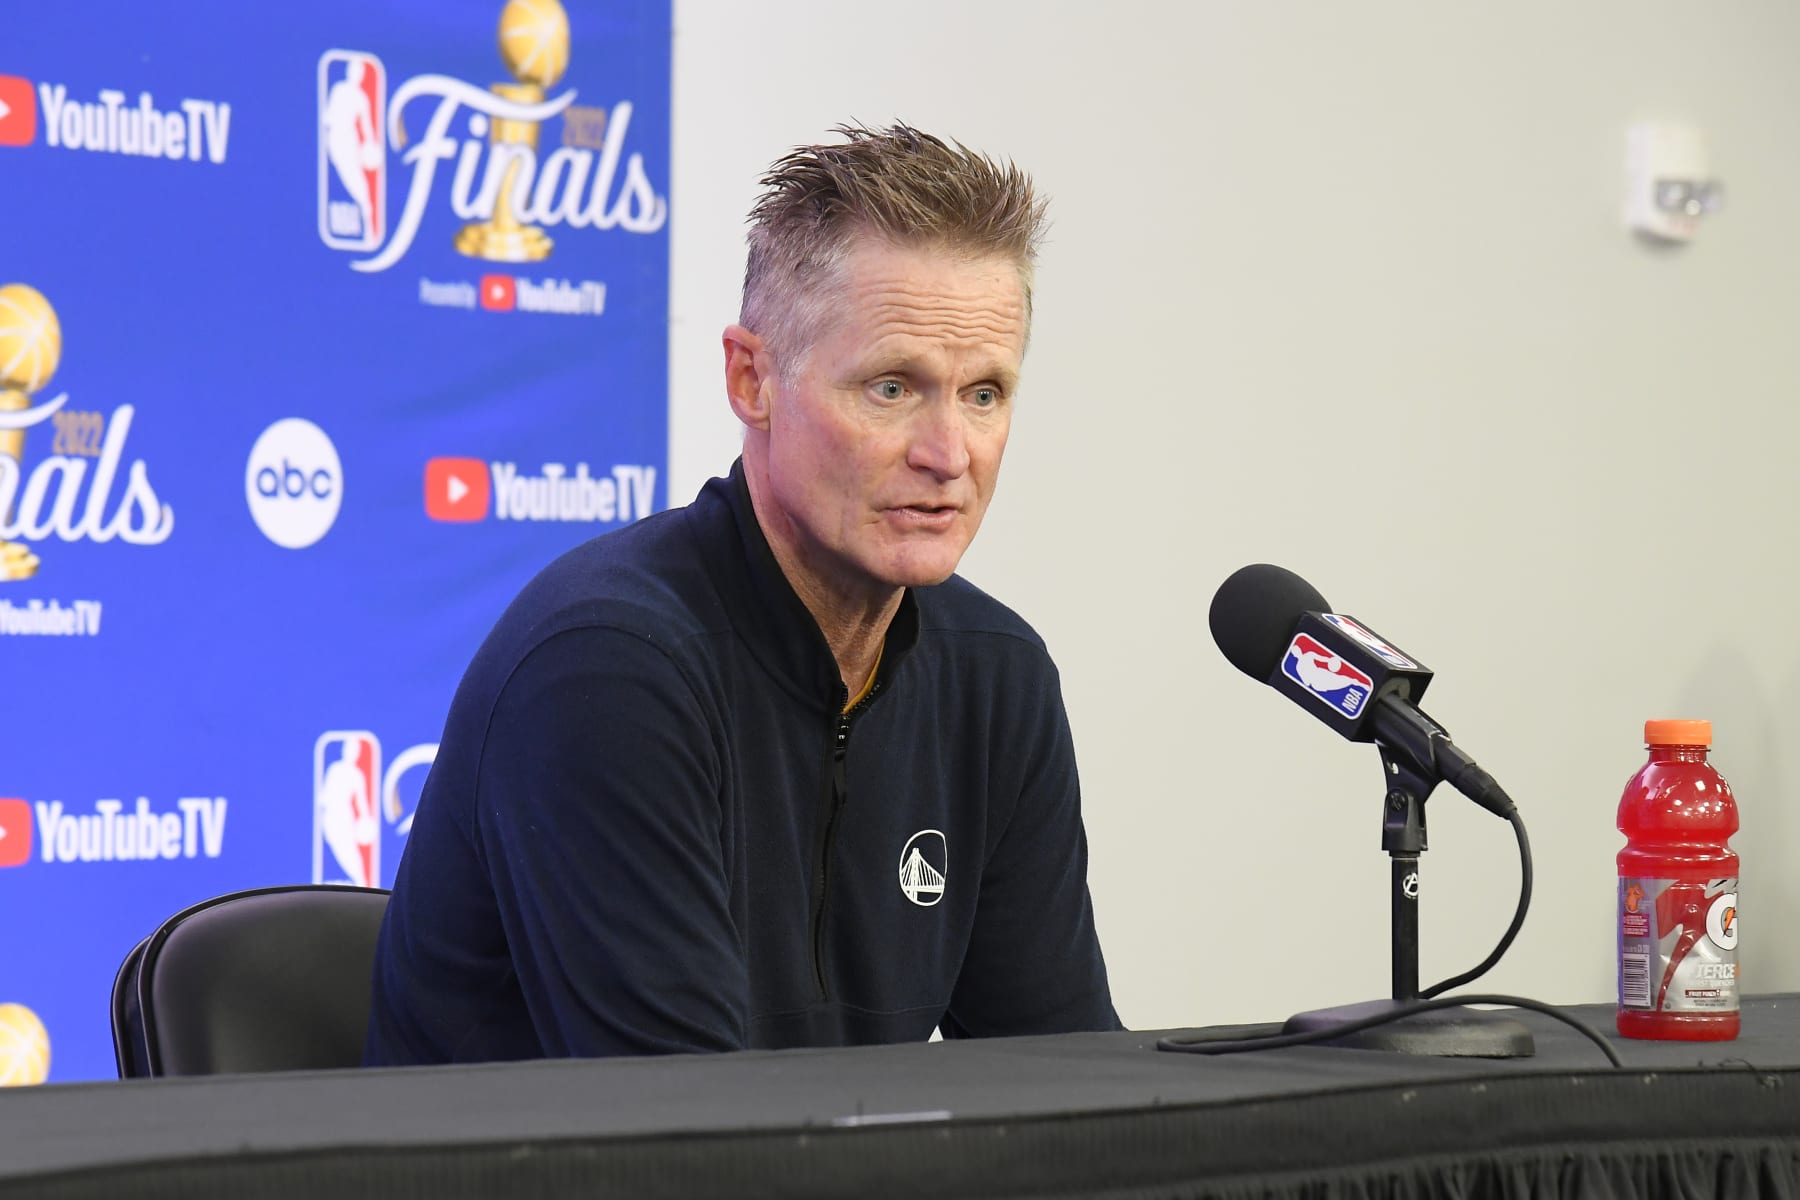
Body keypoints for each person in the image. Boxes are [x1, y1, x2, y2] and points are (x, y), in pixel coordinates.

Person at [365, 124, 1119, 1064]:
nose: (949, 453)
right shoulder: (605, 667)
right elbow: (693, 1140)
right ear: (751, 379)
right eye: (892, 388)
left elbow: (1068, 1088)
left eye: (985, 393)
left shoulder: (996, 677)